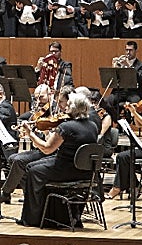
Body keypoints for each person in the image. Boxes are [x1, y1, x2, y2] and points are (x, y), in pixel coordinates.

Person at [20, 91, 100, 227]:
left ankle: (33, 219)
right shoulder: (92, 126)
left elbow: (47, 148)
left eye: (68, 105)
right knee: (33, 166)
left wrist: (30, 134)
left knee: (32, 170)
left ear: (74, 108)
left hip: (66, 170)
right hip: (86, 172)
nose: (65, 107)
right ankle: (55, 215)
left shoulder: (66, 127)